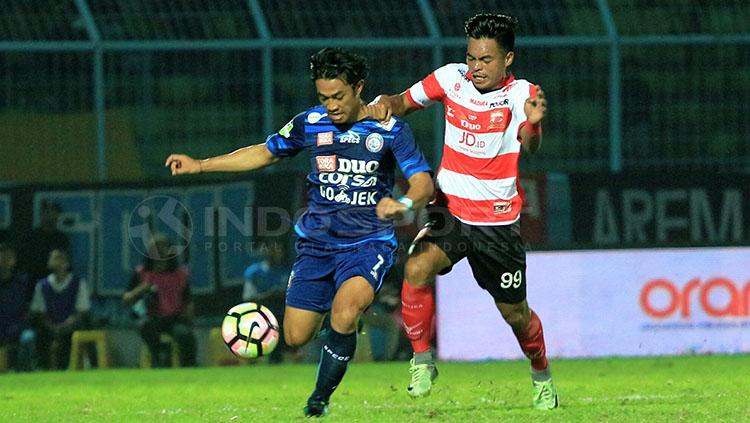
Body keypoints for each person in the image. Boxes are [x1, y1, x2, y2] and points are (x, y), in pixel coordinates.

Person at [165, 47, 434, 417]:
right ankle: (341, 338)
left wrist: (403, 205)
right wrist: (201, 165)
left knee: (344, 312)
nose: (331, 105)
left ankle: (318, 399)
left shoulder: (389, 129)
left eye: (338, 96)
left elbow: (423, 183)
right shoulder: (310, 123)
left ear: (359, 87)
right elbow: (265, 152)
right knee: (295, 337)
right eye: (323, 97)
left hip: (368, 243)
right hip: (315, 246)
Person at [373, 13, 558, 409]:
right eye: (472, 57)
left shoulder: (523, 93)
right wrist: (385, 104)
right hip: (451, 208)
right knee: (417, 267)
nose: (476, 67)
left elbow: (529, 142)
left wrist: (536, 126)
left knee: (516, 316)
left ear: (508, 58)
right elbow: (404, 102)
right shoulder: (451, 78)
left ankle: (540, 371)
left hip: (497, 223)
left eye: (486, 59)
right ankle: (422, 359)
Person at [122, 234, 197, 367]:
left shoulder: (180, 274)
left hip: (175, 318)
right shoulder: (142, 273)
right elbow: (126, 298)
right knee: (144, 326)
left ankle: (189, 366)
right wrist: (141, 290)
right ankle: (159, 357)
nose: (159, 253)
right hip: (152, 317)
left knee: (185, 335)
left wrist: (188, 312)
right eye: (154, 249)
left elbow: (188, 299)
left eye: (162, 248)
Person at [29, 248, 90, 370]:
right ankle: (42, 368)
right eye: (53, 258)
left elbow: (81, 311)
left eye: (59, 258)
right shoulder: (42, 285)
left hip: (71, 326)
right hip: (49, 327)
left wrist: (63, 326)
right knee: (38, 336)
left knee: (74, 334)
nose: (56, 262)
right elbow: (40, 313)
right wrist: (53, 327)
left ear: (67, 263)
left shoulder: (78, 283)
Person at [242, 239, 290, 364]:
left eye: (279, 250)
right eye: (274, 249)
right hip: (259, 315)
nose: (277, 253)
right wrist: (270, 295)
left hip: (282, 315)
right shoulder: (254, 272)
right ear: (266, 251)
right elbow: (248, 298)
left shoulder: (287, 272)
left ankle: (283, 358)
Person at [0, 242, 36, 371]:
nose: (3, 261)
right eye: (1, 257)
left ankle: (23, 373)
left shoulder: (24, 283)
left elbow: (30, 310)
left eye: (7, 258)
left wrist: (16, 328)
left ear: (14, 260)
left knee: (28, 338)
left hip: (17, 328)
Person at [21, 201, 71, 284]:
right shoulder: (32, 237)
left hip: (56, 284)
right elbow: (25, 262)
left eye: (54, 212)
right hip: (34, 282)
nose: (50, 215)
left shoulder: (62, 238)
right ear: (42, 214)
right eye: (47, 212)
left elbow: (66, 263)